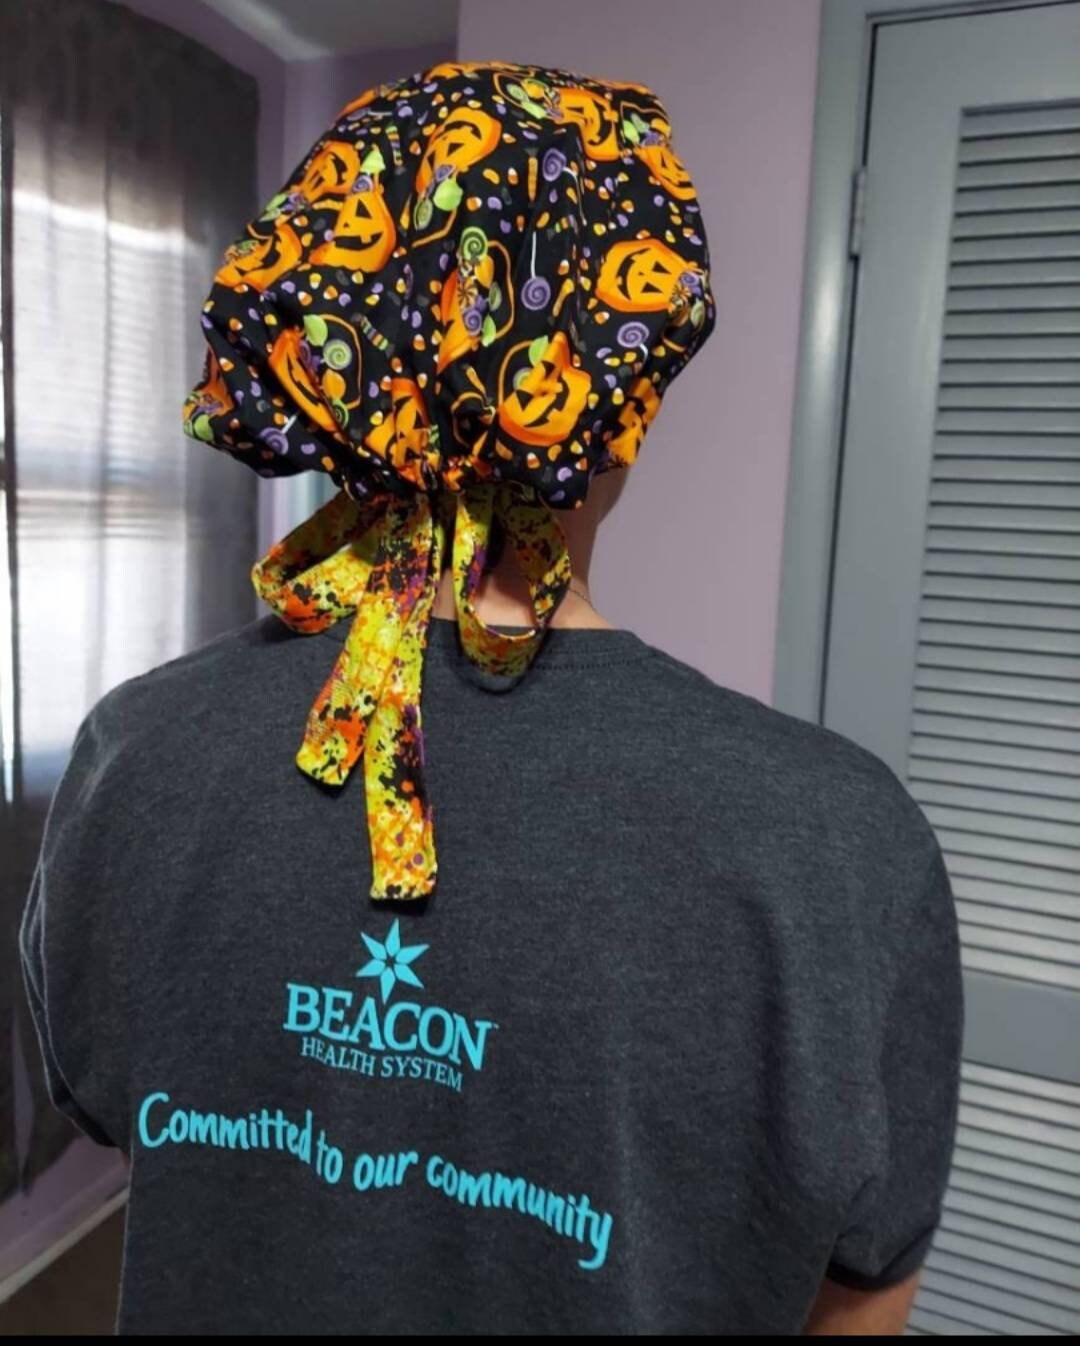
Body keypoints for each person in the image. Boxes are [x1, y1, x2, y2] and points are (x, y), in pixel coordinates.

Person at [18, 60, 963, 1335]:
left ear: (322, 372)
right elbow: (862, 1295)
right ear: (622, 400)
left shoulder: (133, 752)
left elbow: (126, 1113)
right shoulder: (839, 839)